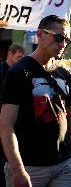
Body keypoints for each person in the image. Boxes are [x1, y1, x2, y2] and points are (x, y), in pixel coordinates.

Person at [0, 15, 71, 187]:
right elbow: (6, 125)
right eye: (59, 37)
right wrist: (17, 170)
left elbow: (69, 116)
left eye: (67, 40)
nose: (63, 44)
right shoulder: (18, 73)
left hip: (64, 164)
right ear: (40, 34)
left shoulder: (64, 74)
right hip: (29, 166)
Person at [0, 44, 25, 187]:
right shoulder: (2, 70)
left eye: (22, 57)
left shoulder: (20, 71)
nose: (20, 60)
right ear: (10, 54)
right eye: (18, 57)